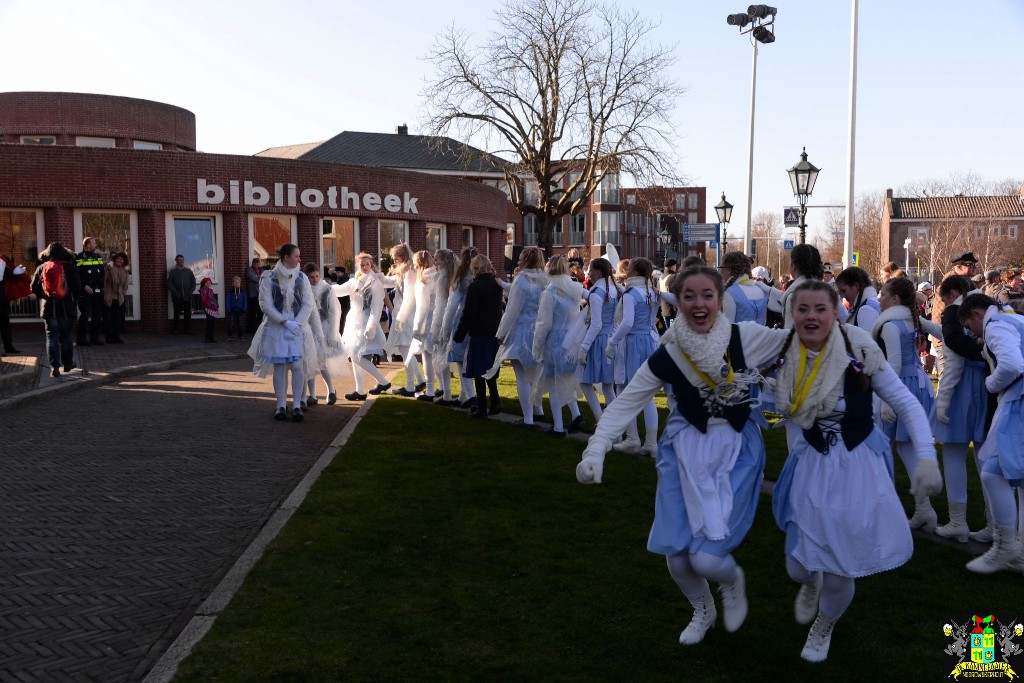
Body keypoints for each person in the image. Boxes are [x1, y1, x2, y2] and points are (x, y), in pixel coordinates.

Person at [576, 266, 793, 648]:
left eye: (707, 294)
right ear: (676, 301)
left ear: (720, 298)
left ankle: (731, 580)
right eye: (689, 295)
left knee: (707, 559)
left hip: (735, 453)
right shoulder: (668, 353)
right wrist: (597, 448)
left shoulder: (745, 339)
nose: (699, 303)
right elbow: (626, 402)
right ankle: (703, 609)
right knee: (676, 557)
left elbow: (809, 337)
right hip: (682, 453)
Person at [770, 280, 941, 662]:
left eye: (820, 308)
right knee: (799, 566)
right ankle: (811, 583)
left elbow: (908, 404)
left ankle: (825, 624)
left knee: (840, 563)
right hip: (811, 463)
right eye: (803, 309)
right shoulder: (786, 350)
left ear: (837, 311)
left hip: (855, 466)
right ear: (792, 314)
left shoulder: (859, 348)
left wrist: (926, 457)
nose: (811, 316)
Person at [958, 293, 1024, 573]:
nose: (972, 333)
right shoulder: (1016, 319)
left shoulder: (996, 326)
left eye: (969, 326)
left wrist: (991, 383)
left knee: (992, 472)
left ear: (976, 314)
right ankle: (1018, 552)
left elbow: (1011, 365)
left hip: (1018, 400)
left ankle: (1005, 545)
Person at [873, 276, 939, 531]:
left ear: (895, 299)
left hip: (904, 386)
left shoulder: (891, 325)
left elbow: (895, 365)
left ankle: (920, 508)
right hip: (918, 385)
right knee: (904, 447)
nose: (880, 299)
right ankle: (923, 508)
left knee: (895, 447)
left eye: (883, 295)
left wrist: (889, 401)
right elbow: (939, 330)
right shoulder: (910, 319)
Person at [930, 275, 988, 543]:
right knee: (987, 461)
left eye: (944, 300)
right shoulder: (989, 306)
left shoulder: (954, 312)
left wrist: (943, 399)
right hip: (987, 386)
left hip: (961, 386)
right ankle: (996, 525)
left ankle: (957, 522)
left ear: (952, 294)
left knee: (953, 453)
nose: (943, 305)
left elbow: (953, 358)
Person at [248, 244, 315, 422]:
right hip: (277, 327)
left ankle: (297, 405)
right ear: (286, 257)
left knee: (297, 366)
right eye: (296, 256)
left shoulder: (302, 278)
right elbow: (265, 304)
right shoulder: (269, 277)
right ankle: (280, 405)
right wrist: (283, 321)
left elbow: (308, 303)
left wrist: (297, 323)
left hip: (297, 328)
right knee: (280, 367)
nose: (299, 260)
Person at [605, 257, 662, 455]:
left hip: (633, 343)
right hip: (649, 341)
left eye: (629, 268)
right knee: (647, 395)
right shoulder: (652, 292)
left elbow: (627, 323)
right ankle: (651, 442)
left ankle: (633, 438)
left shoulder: (631, 294)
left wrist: (612, 342)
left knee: (625, 391)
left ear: (635, 272)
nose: (626, 271)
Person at [494, 246, 548, 426]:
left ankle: (528, 418)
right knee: (534, 375)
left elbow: (512, 311)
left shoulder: (522, 280)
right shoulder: (545, 280)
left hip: (522, 330)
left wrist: (501, 333)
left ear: (525, 260)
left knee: (522, 376)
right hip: (539, 330)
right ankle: (538, 410)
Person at [532, 255, 586, 435]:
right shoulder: (576, 288)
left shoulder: (550, 293)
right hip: (573, 337)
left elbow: (543, 323)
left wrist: (537, 347)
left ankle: (557, 426)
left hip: (556, 339)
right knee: (565, 379)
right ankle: (576, 415)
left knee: (555, 383)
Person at [332, 252, 391, 401]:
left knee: (355, 356)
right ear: (358, 266)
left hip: (366, 324)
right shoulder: (355, 280)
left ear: (371, 265)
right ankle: (360, 390)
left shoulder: (375, 283)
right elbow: (340, 290)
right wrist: (324, 286)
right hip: (354, 323)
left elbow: (377, 307)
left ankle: (383, 382)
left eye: (367, 264)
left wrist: (371, 326)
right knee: (353, 355)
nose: (364, 267)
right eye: (362, 264)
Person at [453, 253, 504, 418]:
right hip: (492, 332)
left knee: (478, 373)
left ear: (475, 268)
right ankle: (495, 401)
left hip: (479, 333)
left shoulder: (475, 287)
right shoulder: (496, 285)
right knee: (488, 370)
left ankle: (482, 408)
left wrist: (459, 334)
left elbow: (469, 313)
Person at [576, 257, 619, 424]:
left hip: (599, 341)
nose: (588, 273)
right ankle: (613, 423)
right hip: (610, 338)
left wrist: (583, 348)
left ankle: (601, 421)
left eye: (590, 270)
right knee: (608, 386)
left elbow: (596, 324)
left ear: (598, 272)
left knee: (585, 382)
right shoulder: (614, 289)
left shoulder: (598, 292)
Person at [31, 242, 81, 377]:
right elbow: (77, 287)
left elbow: (33, 287)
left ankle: (54, 367)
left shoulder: (42, 267)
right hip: (65, 308)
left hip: (49, 309)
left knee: (51, 337)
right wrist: (74, 299)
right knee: (66, 335)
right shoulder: (70, 267)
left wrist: (44, 295)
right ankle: (68, 363)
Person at [384, 243, 426, 394]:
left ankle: (410, 386)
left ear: (403, 256)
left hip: (406, 316)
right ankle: (420, 381)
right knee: (405, 350)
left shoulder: (409, 271)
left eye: (396, 258)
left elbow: (409, 297)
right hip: (404, 314)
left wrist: (400, 318)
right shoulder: (405, 270)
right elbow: (391, 282)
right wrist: (377, 277)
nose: (395, 261)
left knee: (405, 350)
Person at [302, 262, 345, 406]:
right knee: (309, 361)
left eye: (316, 276)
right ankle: (312, 395)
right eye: (311, 277)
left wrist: (332, 334)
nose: (314, 280)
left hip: (324, 327)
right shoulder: (303, 288)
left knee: (321, 362)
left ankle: (331, 390)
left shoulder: (326, 289)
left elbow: (334, 312)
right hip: (308, 328)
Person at [440, 247, 479, 409]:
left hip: (464, 320)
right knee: (475, 359)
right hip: (482, 322)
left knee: (461, 358)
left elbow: (452, 305)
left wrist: (445, 328)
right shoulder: (484, 276)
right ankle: (465, 395)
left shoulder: (460, 277)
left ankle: (470, 394)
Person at [428, 249, 458, 405]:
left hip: (443, 320)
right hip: (452, 319)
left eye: (437, 260)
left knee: (441, 357)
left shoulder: (442, 278)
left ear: (444, 261)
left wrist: (436, 326)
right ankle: (464, 394)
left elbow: (440, 305)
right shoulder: (452, 277)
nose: (435, 262)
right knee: (454, 358)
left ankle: (447, 393)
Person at [720, 251, 769, 325]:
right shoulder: (760, 291)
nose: (719, 271)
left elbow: (728, 328)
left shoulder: (730, 293)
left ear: (729, 270)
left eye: (720, 267)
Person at [75, 236, 106, 346]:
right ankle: (81, 338)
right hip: (85, 292)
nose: (95, 245)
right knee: (85, 314)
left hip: (96, 290)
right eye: (94, 243)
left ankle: (94, 337)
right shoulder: (79, 257)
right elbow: (76, 275)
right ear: (87, 244)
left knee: (97, 315)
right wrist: (84, 286)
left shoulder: (97, 256)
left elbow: (102, 272)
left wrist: (101, 286)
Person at [834, 267, 880, 331]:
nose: (843, 296)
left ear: (856, 286)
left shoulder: (866, 310)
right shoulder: (868, 303)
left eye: (844, 291)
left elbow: (865, 340)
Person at [0, 253, 27, 355]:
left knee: (5, 325)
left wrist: (15, 272)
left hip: (2, 299)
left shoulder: (2, 261)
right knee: (4, 324)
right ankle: (9, 347)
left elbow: (8, 274)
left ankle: (9, 346)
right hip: (2, 299)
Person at [102, 252, 129, 344]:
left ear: (124, 261)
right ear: (114, 259)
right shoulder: (108, 268)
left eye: (121, 259)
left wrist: (123, 293)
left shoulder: (125, 270)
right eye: (118, 258)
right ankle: (109, 338)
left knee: (117, 319)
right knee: (108, 319)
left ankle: (116, 336)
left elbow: (125, 284)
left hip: (118, 298)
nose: (119, 260)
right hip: (108, 296)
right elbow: (104, 282)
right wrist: (105, 293)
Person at [167, 254, 196, 335]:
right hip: (177, 296)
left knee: (188, 313)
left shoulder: (188, 270)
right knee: (176, 313)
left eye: (182, 260)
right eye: (179, 260)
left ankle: (188, 329)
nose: (181, 261)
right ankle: (176, 329)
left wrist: (190, 292)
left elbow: (193, 282)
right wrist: (175, 292)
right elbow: (168, 282)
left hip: (187, 296)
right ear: (176, 261)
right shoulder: (171, 271)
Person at [225, 275, 248, 342]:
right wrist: (228, 309)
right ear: (233, 283)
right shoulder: (230, 291)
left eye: (238, 283)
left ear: (240, 283)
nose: (237, 284)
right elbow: (228, 301)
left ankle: (241, 336)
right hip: (232, 310)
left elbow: (245, 301)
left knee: (240, 323)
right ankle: (230, 336)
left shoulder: (243, 291)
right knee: (231, 323)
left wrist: (244, 308)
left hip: (240, 310)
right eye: (235, 282)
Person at [246, 257, 263, 333]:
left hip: (261, 294)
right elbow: (254, 279)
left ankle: (259, 328)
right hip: (253, 295)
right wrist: (259, 277)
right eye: (258, 263)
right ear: (254, 263)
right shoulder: (249, 270)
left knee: (260, 312)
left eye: (259, 263)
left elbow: (263, 278)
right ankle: (252, 329)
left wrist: (258, 277)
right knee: (253, 312)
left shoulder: (261, 270)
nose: (259, 265)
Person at [200, 277, 218, 343]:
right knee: (209, 323)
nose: (209, 284)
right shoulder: (203, 290)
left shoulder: (210, 290)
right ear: (204, 283)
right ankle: (207, 338)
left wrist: (215, 305)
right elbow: (204, 300)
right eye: (208, 283)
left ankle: (211, 337)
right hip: (208, 308)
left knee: (212, 323)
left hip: (212, 308)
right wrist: (210, 305)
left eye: (210, 283)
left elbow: (213, 298)